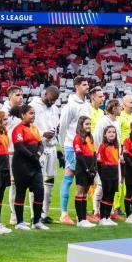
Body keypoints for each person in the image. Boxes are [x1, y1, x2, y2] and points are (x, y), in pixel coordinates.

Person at [57, 76, 90, 225]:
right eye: (84, 84)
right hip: (71, 145)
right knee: (69, 176)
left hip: (85, 146)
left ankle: (81, 214)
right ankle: (63, 213)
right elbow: (62, 127)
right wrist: (64, 147)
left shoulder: (86, 104)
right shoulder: (70, 105)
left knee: (84, 179)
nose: (87, 87)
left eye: (88, 84)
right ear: (76, 86)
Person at [10, 105, 47, 231]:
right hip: (21, 166)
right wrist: (33, 156)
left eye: (34, 113)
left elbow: (41, 144)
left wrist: (37, 154)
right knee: (20, 193)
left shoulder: (35, 129)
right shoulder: (18, 129)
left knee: (40, 192)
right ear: (23, 115)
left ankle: (36, 221)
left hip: (34, 166)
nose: (33, 115)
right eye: (31, 113)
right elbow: (19, 147)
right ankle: (19, 222)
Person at [28, 86, 60, 225]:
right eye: (51, 99)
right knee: (36, 181)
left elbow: (56, 126)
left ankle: (45, 213)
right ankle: (33, 214)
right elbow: (28, 126)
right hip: (38, 147)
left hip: (52, 147)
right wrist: (42, 134)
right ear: (45, 94)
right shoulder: (33, 106)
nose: (52, 102)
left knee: (49, 181)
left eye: (54, 101)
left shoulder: (55, 109)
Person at [93, 98, 122, 221]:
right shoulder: (103, 121)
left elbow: (117, 140)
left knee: (112, 186)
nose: (121, 108)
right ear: (114, 108)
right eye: (119, 106)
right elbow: (97, 138)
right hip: (104, 158)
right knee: (101, 185)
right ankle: (96, 211)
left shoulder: (117, 121)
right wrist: (101, 154)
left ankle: (109, 211)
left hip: (115, 157)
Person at [1, 86, 24, 226]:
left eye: (21, 95)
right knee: (12, 184)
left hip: (21, 153)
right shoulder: (3, 112)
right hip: (8, 153)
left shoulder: (22, 112)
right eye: (17, 95)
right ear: (10, 97)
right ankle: (13, 216)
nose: (20, 97)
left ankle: (16, 215)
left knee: (19, 185)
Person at [72, 116, 97, 228]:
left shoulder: (90, 137)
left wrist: (94, 168)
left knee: (85, 193)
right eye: (87, 124)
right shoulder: (78, 138)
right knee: (80, 192)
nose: (89, 126)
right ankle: (80, 220)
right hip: (82, 168)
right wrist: (86, 169)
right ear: (81, 125)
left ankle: (84, 218)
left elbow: (94, 154)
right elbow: (79, 155)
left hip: (90, 168)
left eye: (90, 124)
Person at [117, 94, 132, 213]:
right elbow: (117, 133)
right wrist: (120, 152)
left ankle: (129, 203)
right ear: (124, 104)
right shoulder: (120, 116)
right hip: (122, 148)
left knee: (130, 178)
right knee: (121, 177)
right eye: (131, 102)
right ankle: (116, 205)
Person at [96, 125, 121, 226]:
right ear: (105, 135)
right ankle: (102, 218)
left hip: (114, 172)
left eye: (113, 132)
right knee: (106, 195)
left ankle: (107, 217)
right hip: (106, 172)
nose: (112, 134)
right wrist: (102, 176)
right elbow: (98, 162)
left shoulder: (116, 146)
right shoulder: (103, 146)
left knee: (111, 195)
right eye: (109, 132)